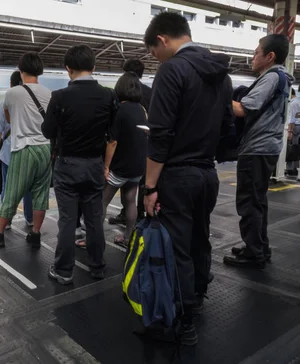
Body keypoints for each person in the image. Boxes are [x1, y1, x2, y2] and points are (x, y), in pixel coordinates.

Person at [142, 12, 233, 345]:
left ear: (163, 40)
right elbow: (227, 127)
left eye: (154, 50)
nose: (155, 58)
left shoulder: (172, 70)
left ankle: (182, 323)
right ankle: (196, 302)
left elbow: (160, 135)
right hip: (208, 174)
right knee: (200, 239)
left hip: (178, 175)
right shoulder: (221, 74)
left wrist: (150, 187)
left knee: (176, 249)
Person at [42, 44, 114, 284]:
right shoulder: (108, 96)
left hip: (68, 165)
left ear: (68, 69)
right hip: (94, 164)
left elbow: (47, 131)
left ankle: (63, 271)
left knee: (67, 220)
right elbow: (113, 134)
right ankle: (97, 266)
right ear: (93, 67)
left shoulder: (60, 97)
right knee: (94, 218)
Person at [224, 34, 294, 268]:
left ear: (270, 56)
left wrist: (219, 93)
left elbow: (243, 109)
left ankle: (254, 253)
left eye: (256, 52)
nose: (253, 56)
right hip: (268, 147)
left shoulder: (271, 78)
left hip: (257, 147)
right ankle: (259, 245)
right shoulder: (283, 77)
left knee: (249, 202)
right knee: (258, 200)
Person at [0, 52, 52, 248]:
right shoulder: (48, 93)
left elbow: (7, 119)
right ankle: (35, 233)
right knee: (41, 194)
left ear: (21, 71)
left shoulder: (12, 93)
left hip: (24, 148)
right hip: (45, 148)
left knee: (12, 192)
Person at [102, 72, 148, 248]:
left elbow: (113, 142)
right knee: (130, 201)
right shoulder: (142, 109)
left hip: (120, 168)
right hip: (137, 167)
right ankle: (128, 238)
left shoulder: (120, 110)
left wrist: (106, 167)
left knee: (102, 202)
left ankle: (94, 239)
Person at [109, 59, 153, 226]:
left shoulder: (121, 95)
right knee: (138, 186)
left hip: (123, 149)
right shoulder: (149, 92)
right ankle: (138, 216)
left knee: (116, 192)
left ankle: (124, 214)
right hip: (144, 147)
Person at [0, 71, 34, 230]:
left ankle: (6, 221)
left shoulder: (3, 104)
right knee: (28, 187)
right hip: (28, 151)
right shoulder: (31, 104)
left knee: (8, 187)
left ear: (10, 85)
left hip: (9, 153)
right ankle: (30, 219)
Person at [286, 88, 300, 178]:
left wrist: (290, 131)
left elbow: (292, 118)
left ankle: (292, 169)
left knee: (293, 147)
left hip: (296, 127)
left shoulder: (294, 103)